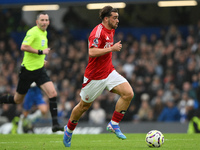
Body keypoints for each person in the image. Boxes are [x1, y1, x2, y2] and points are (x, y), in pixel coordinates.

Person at [63, 6, 134, 147]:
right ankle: (69, 130)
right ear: (106, 18)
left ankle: (114, 124)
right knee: (83, 106)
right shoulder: (97, 32)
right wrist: (112, 48)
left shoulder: (112, 29)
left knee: (128, 93)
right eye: (114, 17)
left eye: (118, 17)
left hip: (109, 72)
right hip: (94, 77)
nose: (117, 20)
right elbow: (92, 52)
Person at [0, 13, 63, 132]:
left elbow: (36, 52)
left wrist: (41, 60)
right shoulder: (33, 32)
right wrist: (40, 52)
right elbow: (23, 47)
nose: (44, 22)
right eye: (42, 20)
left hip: (39, 70)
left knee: (53, 93)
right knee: (17, 100)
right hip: (27, 71)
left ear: (49, 22)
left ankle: (55, 125)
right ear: (37, 22)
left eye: (46, 20)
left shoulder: (44, 33)